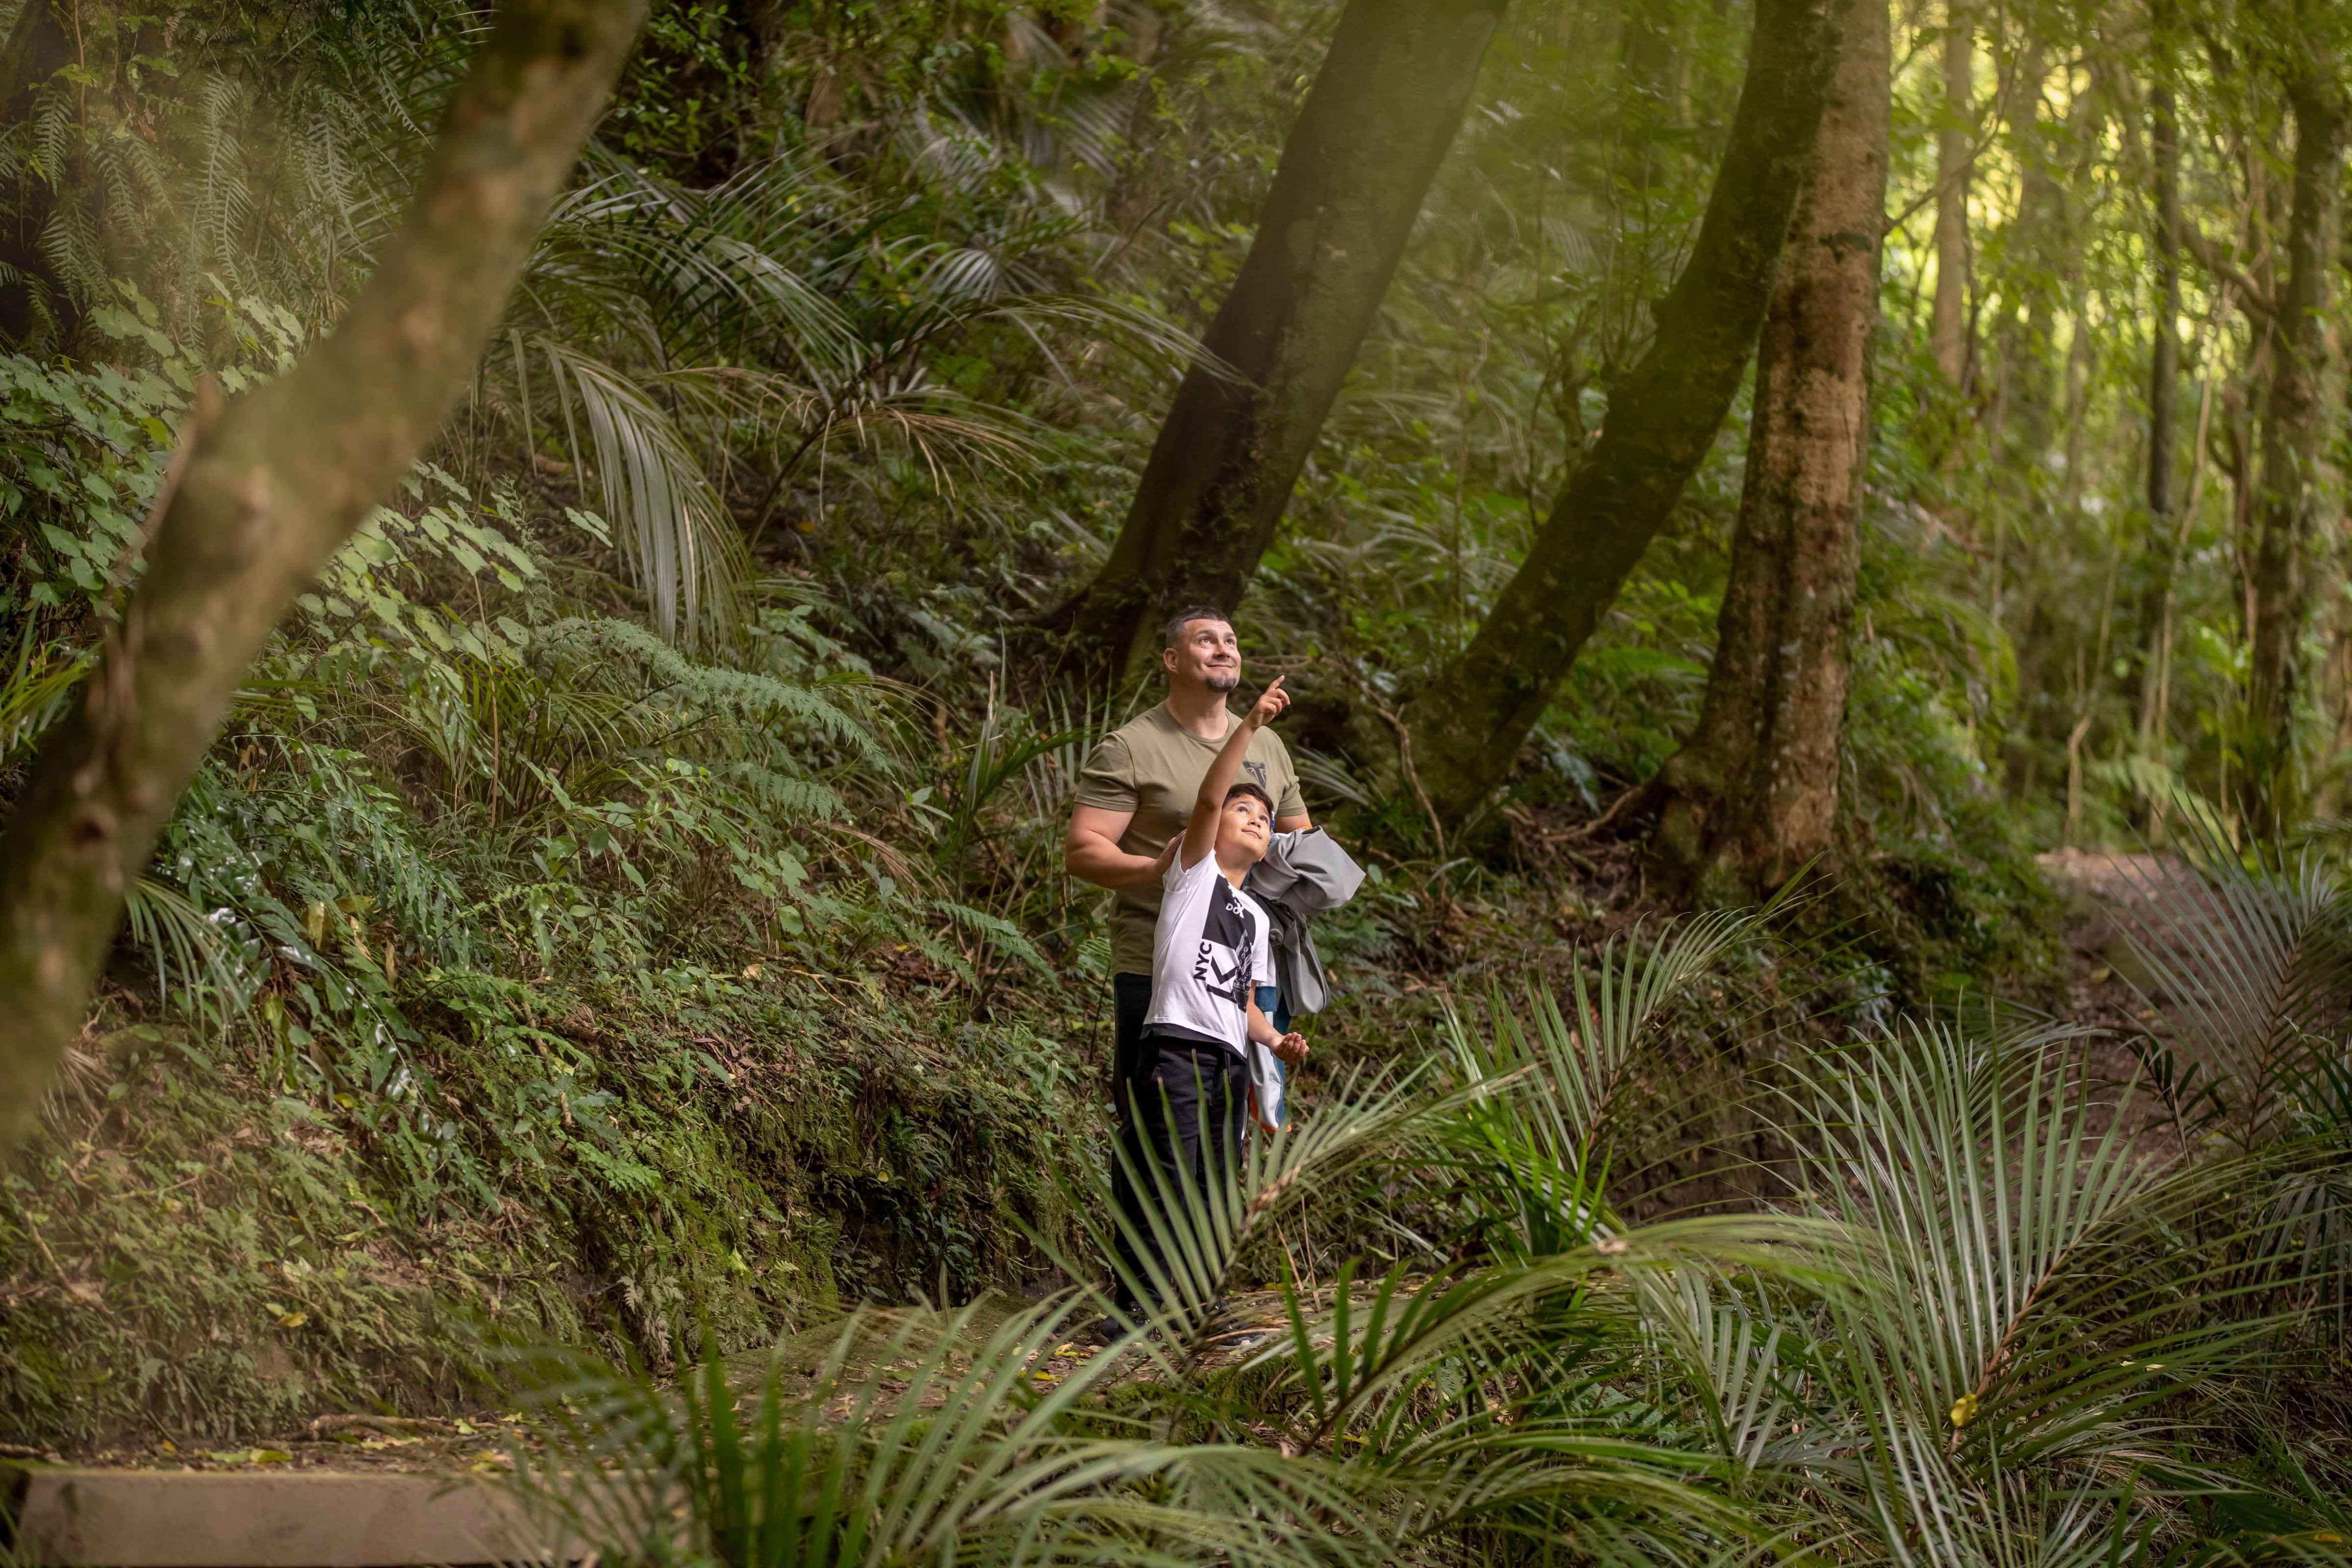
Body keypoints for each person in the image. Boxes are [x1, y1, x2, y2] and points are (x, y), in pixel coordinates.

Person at [1067, 607, 1311, 1320]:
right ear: (1172, 659)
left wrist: (1307, 873)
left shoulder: (1272, 749)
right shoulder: (1133, 746)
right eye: (1206, 639)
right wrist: (1162, 871)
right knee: (1154, 1139)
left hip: (1239, 968)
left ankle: (1197, 1303)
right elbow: (1084, 850)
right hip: (1156, 970)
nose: (1223, 648)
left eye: (1231, 639)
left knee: (1220, 1150)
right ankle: (1137, 1306)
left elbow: (1300, 843)